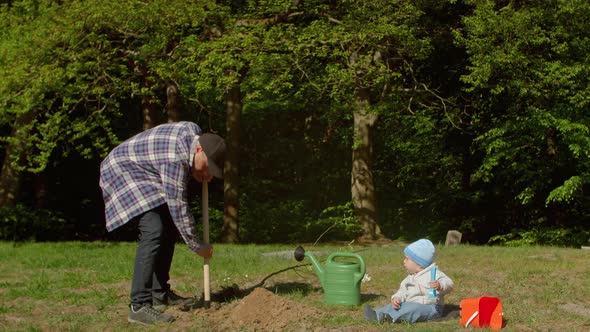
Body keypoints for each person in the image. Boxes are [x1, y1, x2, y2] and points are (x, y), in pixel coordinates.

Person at [99, 121, 226, 325]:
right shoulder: (174, 159)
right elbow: (178, 206)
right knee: (153, 228)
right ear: (199, 149)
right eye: (207, 165)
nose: (207, 173)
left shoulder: (193, 136)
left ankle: (159, 295)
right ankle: (138, 306)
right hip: (122, 171)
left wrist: (199, 169)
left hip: (144, 172)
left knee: (167, 226)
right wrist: (197, 245)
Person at [364, 239, 453, 324]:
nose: (404, 261)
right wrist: (397, 298)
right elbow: (402, 291)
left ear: (419, 263)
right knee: (399, 306)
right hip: (411, 304)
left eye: (407, 259)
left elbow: (449, 284)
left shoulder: (433, 274)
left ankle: (386, 317)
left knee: (412, 309)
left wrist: (440, 285)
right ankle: (376, 313)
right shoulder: (409, 278)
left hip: (431, 307)